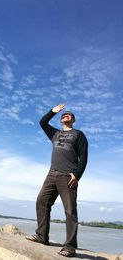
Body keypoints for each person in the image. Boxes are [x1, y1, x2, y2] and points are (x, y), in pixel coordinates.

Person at [26, 104, 88, 257]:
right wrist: (53, 111)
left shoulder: (78, 134)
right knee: (41, 201)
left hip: (68, 176)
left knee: (70, 211)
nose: (65, 115)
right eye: (63, 115)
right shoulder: (55, 133)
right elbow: (42, 122)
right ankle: (41, 236)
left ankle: (70, 247)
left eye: (68, 115)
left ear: (73, 120)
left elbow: (84, 157)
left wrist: (77, 174)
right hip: (51, 174)